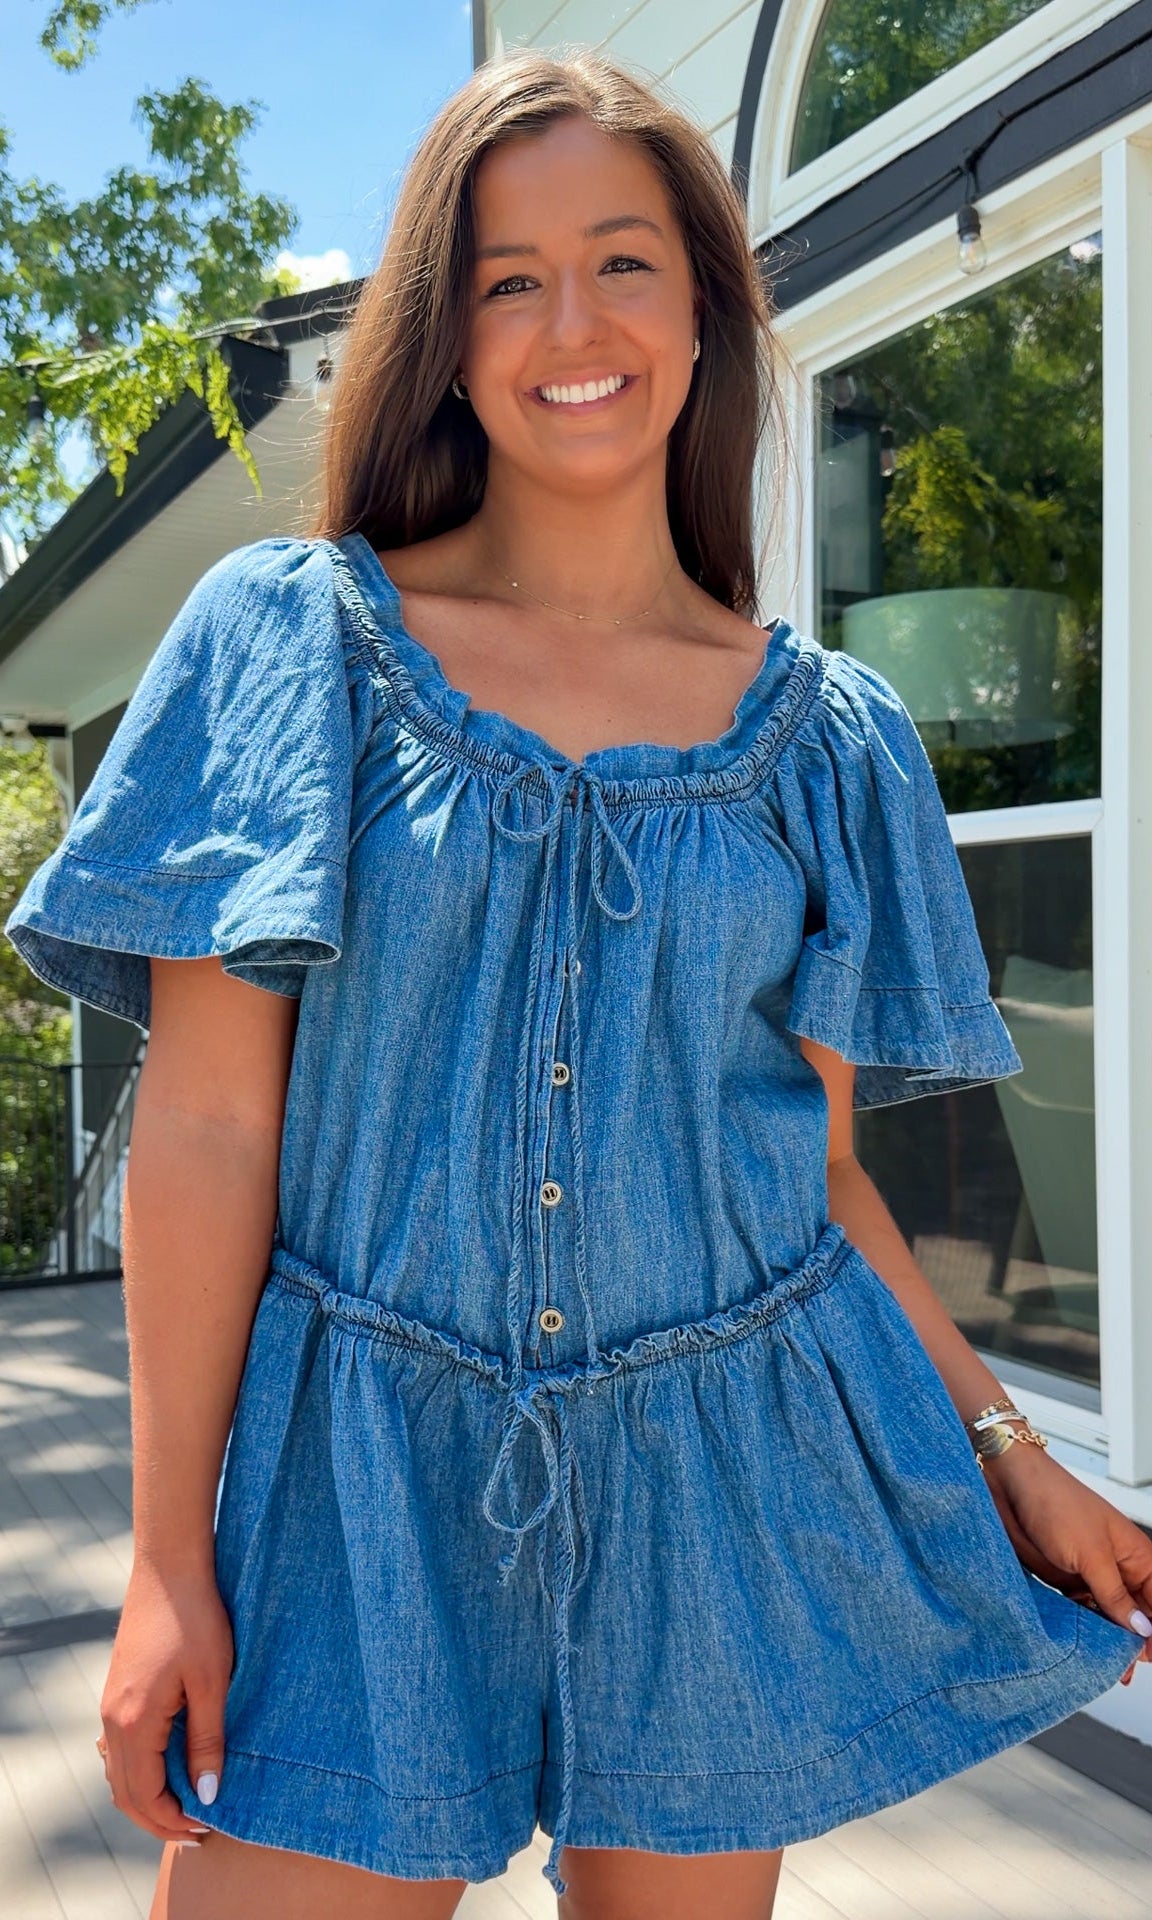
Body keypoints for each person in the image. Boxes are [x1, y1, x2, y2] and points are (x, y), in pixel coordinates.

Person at [6, 44, 1151, 1920]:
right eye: (506, 280)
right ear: (446, 343)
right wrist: (161, 1561)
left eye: (623, 260)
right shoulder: (295, 645)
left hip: (717, 1506)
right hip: (347, 1502)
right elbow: (209, 1126)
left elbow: (826, 1186)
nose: (571, 323)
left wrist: (1017, 1457)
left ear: (704, 305)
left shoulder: (826, 740)